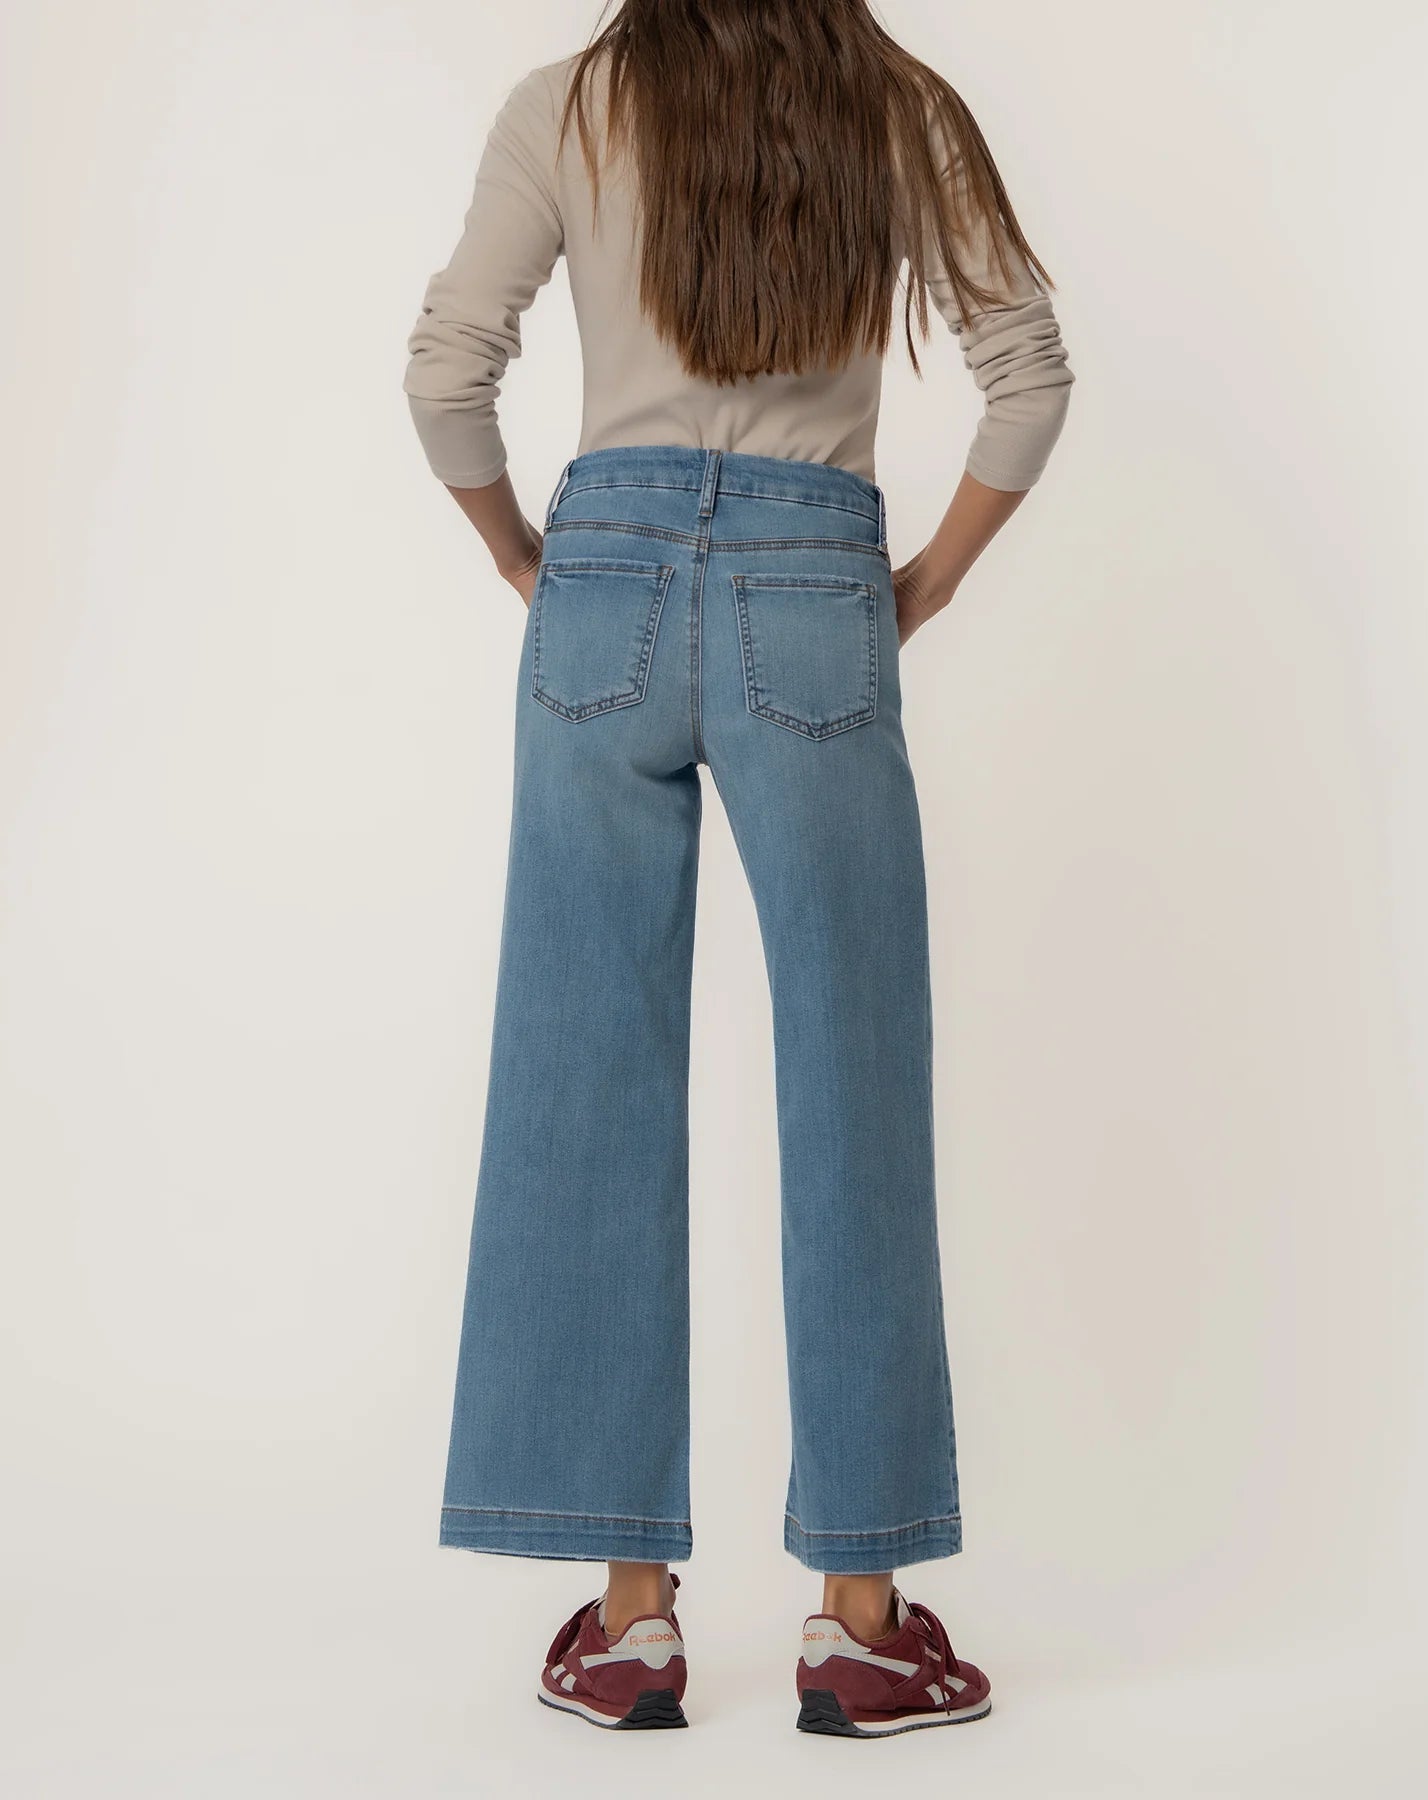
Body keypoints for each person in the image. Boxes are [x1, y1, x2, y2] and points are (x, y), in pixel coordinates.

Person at [401, 0, 1073, 1738]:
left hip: (602, 579)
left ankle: (628, 1625)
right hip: (814, 593)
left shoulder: (570, 101)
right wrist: (926, 580)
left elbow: (445, 368)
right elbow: (1030, 369)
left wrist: (525, 556)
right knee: (854, 1079)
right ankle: (861, 1619)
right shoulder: (893, 101)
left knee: (584, 1074)